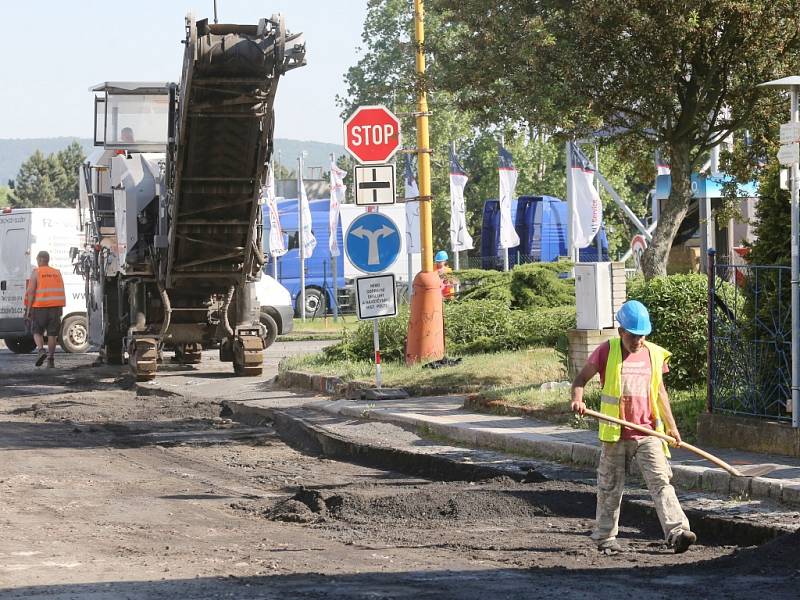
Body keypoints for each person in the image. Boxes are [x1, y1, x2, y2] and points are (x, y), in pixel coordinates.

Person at [570, 300, 696, 554]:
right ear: (621, 332)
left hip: (649, 432)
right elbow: (581, 379)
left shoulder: (654, 354)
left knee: (661, 481)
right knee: (610, 486)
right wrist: (577, 400)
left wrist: (671, 427)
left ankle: (678, 532)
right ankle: (605, 537)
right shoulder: (606, 351)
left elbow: (660, 392)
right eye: (633, 336)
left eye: (642, 336)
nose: (638, 341)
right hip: (616, 434)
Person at [24, 251, 66, 368]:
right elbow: (61, 289)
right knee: (52, 335)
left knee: (37, 332)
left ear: (40, 259)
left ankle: (41, 350)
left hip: (40, 307)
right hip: (55, 308)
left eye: (37, 260)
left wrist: (28, 310)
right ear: (47, 259)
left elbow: (31, 292)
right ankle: (51, 359)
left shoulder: (36, 272)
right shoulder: (57, 273)